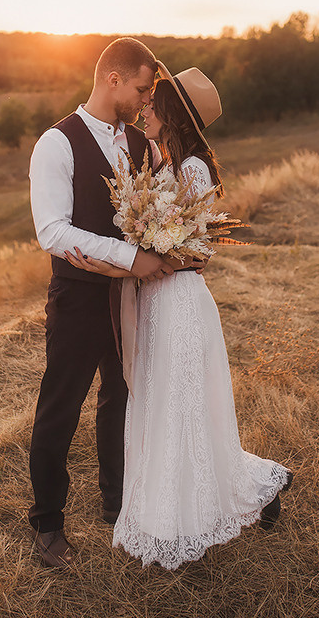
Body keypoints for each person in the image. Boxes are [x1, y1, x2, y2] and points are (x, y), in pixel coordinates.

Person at [65, 63, 293, 570]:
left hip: (181, 303)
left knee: (180, 409)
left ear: (171, 114)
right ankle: (179, 508)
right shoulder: (166, 162)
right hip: (157, 300)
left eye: (152, 102)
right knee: (163, 404)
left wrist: (150, 249)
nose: (143, 108)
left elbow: (199, 249)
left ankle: (190, 516)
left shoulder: (191, 169)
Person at [28, 38, 174, 569]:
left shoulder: (141, 145)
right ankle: (47, 524)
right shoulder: (56, 144)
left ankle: (118, 507)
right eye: (140, 88)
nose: (143, 99)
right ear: (112, 79)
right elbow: (52, 231)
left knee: (122, 399)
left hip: (133, 299)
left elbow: (159, 206)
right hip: (78, 298)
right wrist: (129, 256)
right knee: (61, 407)